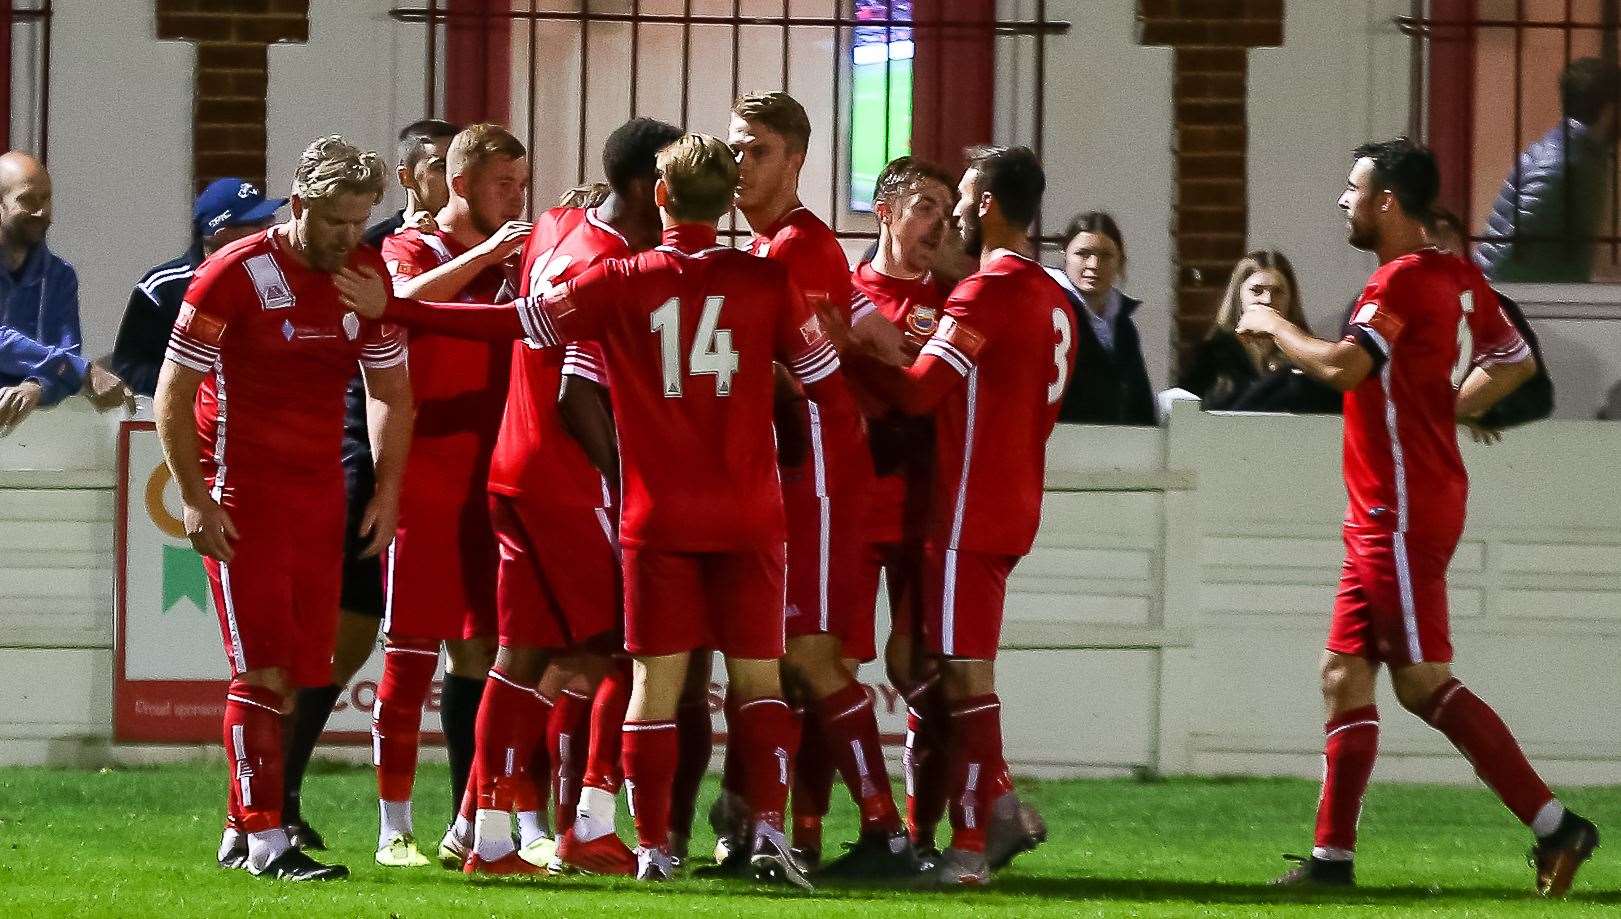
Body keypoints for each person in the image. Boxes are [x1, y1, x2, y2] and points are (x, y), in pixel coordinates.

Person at [338, 132, 859, 889]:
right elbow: (824, 389)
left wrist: (401, 307)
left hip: (631, 503)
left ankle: (611, 841)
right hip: (734, 508)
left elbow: (514, 321)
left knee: (611, 668)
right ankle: (737, 831)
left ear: (660, 196)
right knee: (749, 678)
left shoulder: (597, 259)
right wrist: (792, 450)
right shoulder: (763, 279)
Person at [1234, 138, 1598, 896]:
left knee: (1422, 681)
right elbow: (1515, 359)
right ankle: (1330, 863)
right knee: (1342, 674)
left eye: (1353, 187)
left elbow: (1344, 367)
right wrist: (1447, 411)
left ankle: (1555, 825)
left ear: (1387, 202)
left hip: (1396, 508)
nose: (1344, 200)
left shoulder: (1395, 284)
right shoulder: (1456, 275)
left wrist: (1271, 325)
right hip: (1399, 502)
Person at [153, 135, 413, 881]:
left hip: (321, 497)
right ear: (299, 206)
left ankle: (242, 829)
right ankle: (268, 839)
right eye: (335, 221)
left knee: (302, 671)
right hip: (245, 497)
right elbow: (172, 392)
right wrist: (195, 499)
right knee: (260, 670)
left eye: (360, 221)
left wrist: (388, 492)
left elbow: (392, 390)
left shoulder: (363, 274)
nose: (348, 236)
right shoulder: (230, 276)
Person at [832, 144, 1072, 886]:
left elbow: (915, 393)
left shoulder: (984, 293)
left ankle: (973, 838)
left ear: (989, 205)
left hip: (968, 503)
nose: (957, 211)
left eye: (963, 198)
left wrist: (845, 348)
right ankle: (975, 806)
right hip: (1010, 494)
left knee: (964, 671)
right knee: (916, 665)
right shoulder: (1053, 294)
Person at [461, 117, 682, 879]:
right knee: (634, 643)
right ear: (638, 187)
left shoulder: (557, 224)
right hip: (569, 475)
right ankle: (589, 821)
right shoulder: (612, 264)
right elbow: (575, 393)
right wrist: (627, 480)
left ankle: (489, 836)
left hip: (512, 464)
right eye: (666, 186)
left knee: (518, 656)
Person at [718, 90, 915, 876]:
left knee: (810, 656)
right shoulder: (781, 247)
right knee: (781, 659)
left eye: (756, 150)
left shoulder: (796, 248)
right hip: (792, 471)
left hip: (820, 472)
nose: (739, 164)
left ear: (795, 159)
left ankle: (883, 829)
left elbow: (794, 378)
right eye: (733, 148)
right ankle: (784, 830)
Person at [278, 117, 464, 852]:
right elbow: (402, 309)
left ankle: (285, 795)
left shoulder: (380, 250)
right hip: (346, 456)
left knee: (385, 640)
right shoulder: (381, 245)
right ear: (414, 171)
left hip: (404, 459)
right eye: (441, 164)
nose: (453, 178)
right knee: (328, 640)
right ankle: (271, 799)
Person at [370, 123, 530, 872]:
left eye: (522, 185)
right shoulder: (412, 246)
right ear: (460, 184)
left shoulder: (515, 260)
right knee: (408, 656)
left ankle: (473, 820)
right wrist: (485, 257)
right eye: (504, 185)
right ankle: (392, 826)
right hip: (428, 475)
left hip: (492, 478)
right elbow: (396, 303)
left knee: (488, 653)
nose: (516, 198)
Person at [847, 155, 957, 861]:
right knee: (822, 667)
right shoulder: (845, 293)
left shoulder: (955, 301)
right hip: (850, 503)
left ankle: (917, 835)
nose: (936, 223)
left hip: (923, 504)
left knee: (922, 669)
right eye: (923, 205)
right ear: (884, 211)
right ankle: (801, 831)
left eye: (945, 212)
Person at [110, 178, 286, 397]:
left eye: (269, 220)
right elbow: (129, 368)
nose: (268, 230)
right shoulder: (162, 287)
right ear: (219, 232)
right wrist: (201, 388)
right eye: (256, 223)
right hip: (184, 422)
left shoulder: (279, 279)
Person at [0, 151, 130, 432]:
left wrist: (37, 386)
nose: (40, 211)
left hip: (38, 439)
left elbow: (68, 353)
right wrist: (82, 370)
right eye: (26, 200)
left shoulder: (60, 275)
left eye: (46, 198)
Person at [1476, 58, 1620, 283]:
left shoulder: (1580, 156)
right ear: (1609, 110)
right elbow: (1507, 254)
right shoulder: (1563, 168)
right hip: (1519, 307)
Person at [1430, 208, 1553, 432]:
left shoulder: (1497, 309)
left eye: (1445, 236)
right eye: (1427, 241)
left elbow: (1538, 396)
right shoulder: (1383, 308)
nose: (1439, 248)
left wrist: (1484, 413)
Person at [1178, 250, 1339, 414]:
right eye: (1256, 290)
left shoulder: (1306, 357)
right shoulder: (1210, 357)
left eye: (1278, 292)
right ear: (1238, 297)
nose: (1267, 300)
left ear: (1291, 300)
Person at [1048, 212, 1155, 425]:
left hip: (1116, 449)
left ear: (1119, 260)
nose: (1094, 264)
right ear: (1065, 255)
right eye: (1083, 253)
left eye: (1105, 255)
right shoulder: (1050, 313)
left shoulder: (1124, 326)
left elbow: (1139, 401)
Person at [363, 119, 460, 249]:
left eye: (459, 166)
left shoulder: (480, 241)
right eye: (441, 167)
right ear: (405, 176)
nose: (455, 176)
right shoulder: (374, 245)